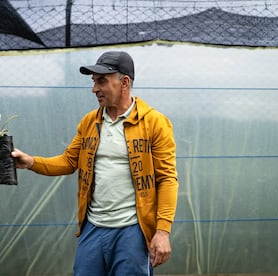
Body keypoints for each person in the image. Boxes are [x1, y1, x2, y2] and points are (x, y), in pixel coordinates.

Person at [12, 51, 179, 276]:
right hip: (93, 227)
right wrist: (31, 162)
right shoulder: (90, 122)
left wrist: (162, 231)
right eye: (93, 82)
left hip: (133, 231)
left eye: (102, 81)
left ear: (124, 82)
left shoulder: (154, 123)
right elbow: (69, 161)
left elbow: (167, 179)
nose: (94, 89)